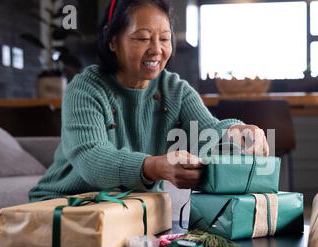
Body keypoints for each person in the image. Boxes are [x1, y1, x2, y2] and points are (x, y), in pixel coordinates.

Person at [29, 0, 269, 202]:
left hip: (129, 207)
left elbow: (207, 130)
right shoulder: (85, 88)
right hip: (68, 204)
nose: (156, 50)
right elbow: (91, 157)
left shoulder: (174, 88)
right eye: (143, 38)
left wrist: (236, 132)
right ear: (113, 41)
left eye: (164, 39)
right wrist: (153, 166)